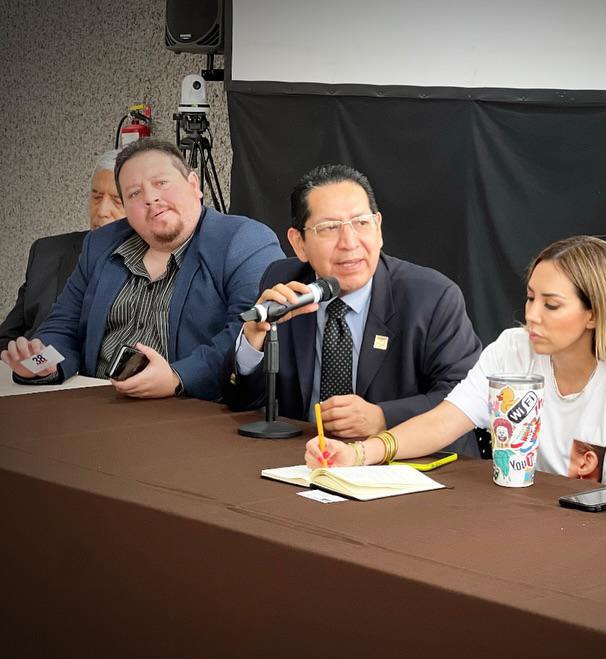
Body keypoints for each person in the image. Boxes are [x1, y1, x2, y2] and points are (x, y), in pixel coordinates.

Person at [304, 235, 606, 490]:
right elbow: (445, 420)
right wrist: (358, 453)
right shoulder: (512, 349)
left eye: (551, 305)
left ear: (594, 314)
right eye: (530, 297)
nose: (532, 314)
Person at [222, 164, 482, 454]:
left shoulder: (431, 297)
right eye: (329, 228)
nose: (349, 243)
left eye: (361, 223)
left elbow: (466, 397)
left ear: (379, 228)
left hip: (403, 470)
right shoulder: (285, 283)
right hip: (305, 460)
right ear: (299, 244)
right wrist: (252, 340)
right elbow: (241, 401)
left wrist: (383, 418)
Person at [0, 138, 284, 400]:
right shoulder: (101, 244)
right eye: (135, 193)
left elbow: (248, 332)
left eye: (161, 182)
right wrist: (40, 363)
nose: (150, 198)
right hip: (96, 403)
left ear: (194, 184)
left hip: (192, 409)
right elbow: (63, 326)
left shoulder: (244, 240)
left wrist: (177, 377)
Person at [0, 150, 125, 347]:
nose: (101, 212)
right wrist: (23, 361)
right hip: (38, 371)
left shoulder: (155, 264)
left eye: (117, 201)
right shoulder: (47, 252)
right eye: (97, 197)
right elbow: (7, 337)